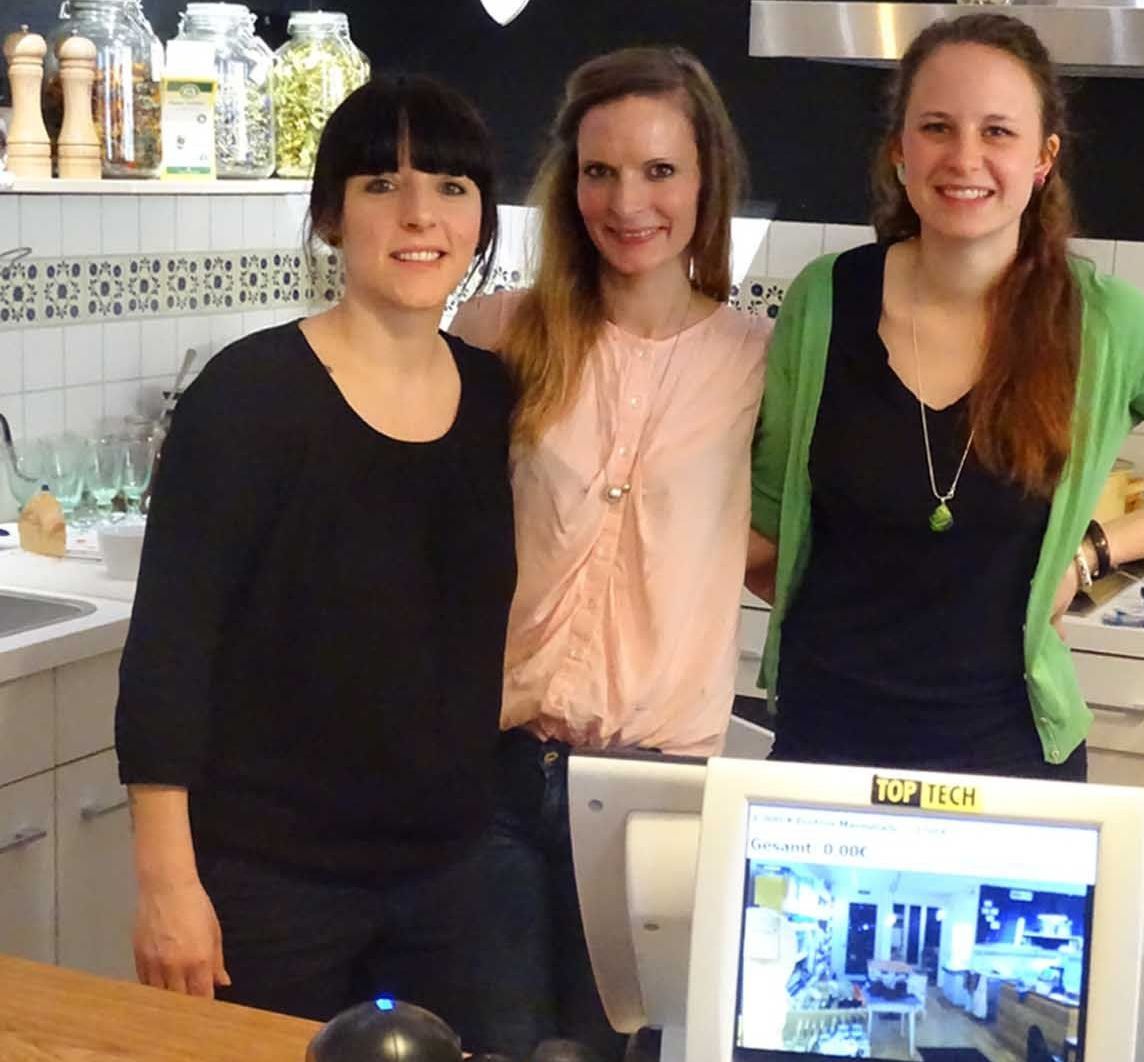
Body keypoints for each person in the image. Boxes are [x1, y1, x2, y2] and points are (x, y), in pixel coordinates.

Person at [745, 13, 1144, 779]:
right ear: (898, 150)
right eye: (937, 127)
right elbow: (772, 531)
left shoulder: (1105, 323)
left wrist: (1093, 554)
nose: (964, 158)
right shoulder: (823, 301)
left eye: (998, 132)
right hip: (825, 748)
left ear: (1043, 157)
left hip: (1008, 757)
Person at [114, 75, 515, 1044]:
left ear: (481, 219)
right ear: (332, 216)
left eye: (452, 187)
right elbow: (167, 659)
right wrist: (169, 887)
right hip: (271, 889)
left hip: (454, 881)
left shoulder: (498, 400)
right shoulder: (248, 400)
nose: (421, 213)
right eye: (383, 184)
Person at [452, 46, 770, 1060]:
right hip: (494, 769)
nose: (626, 201)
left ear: (706, 179)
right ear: (567, 181)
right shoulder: (496, 333)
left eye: (658, 171)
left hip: (656, 791)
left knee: (611, 1052)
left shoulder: (757, 363)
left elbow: (783, 538)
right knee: (496, 1047)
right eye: (600, 171)